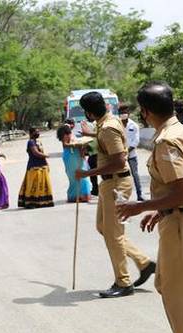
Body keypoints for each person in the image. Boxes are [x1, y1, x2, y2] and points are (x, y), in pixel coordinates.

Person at [118, 82, 183, 333]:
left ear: (145, 112)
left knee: (177, 294)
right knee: (169, 285)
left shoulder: (167, 142)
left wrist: (141, 206)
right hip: (177, 216)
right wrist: (159, 209)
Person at [75, 91, 154, 298]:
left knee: (114, 234)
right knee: (104, 228)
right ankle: (144, 263)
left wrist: (87, 173)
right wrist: (90, 138)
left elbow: (119, 160)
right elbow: (106, 139)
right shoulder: (106, 121)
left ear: (88, 112)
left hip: (116, 183)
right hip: (109, 184)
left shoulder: (108, 127)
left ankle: (123, 282)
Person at [18, 128, 54, 209]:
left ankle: (42, 201)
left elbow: (41, 152)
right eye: (36, 132)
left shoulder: (38, 142)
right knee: (32, 185)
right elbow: (35, 153)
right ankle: (30, 202)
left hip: (42, 165)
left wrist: (46, 163)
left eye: (38, 131)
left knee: (42, 184)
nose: (38, 133)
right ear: (31, 133)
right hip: (34, 166)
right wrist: (46, 155)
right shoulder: (30, 142)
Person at [57, 124, 92, 203]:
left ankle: (84, 195)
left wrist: (82, 147)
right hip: (70, 157)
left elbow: (82, 147)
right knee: (74, 176)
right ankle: (74, 196)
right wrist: (74, 145)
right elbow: (65, 145)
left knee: (83, 175)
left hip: (78, 156)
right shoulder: (64, 135)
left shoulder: (75, 136)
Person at [119, 104, 144, 201]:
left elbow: (136, 141)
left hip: (131, 155)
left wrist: (127, 151)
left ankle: (139, 194)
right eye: (121, 113)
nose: (123, 114)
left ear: (128, 113)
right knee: (120, 176)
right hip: (119, 156)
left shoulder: (134, 125)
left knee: (135, 174)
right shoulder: (117, 125)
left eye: (125, 112)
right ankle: (121, 195)